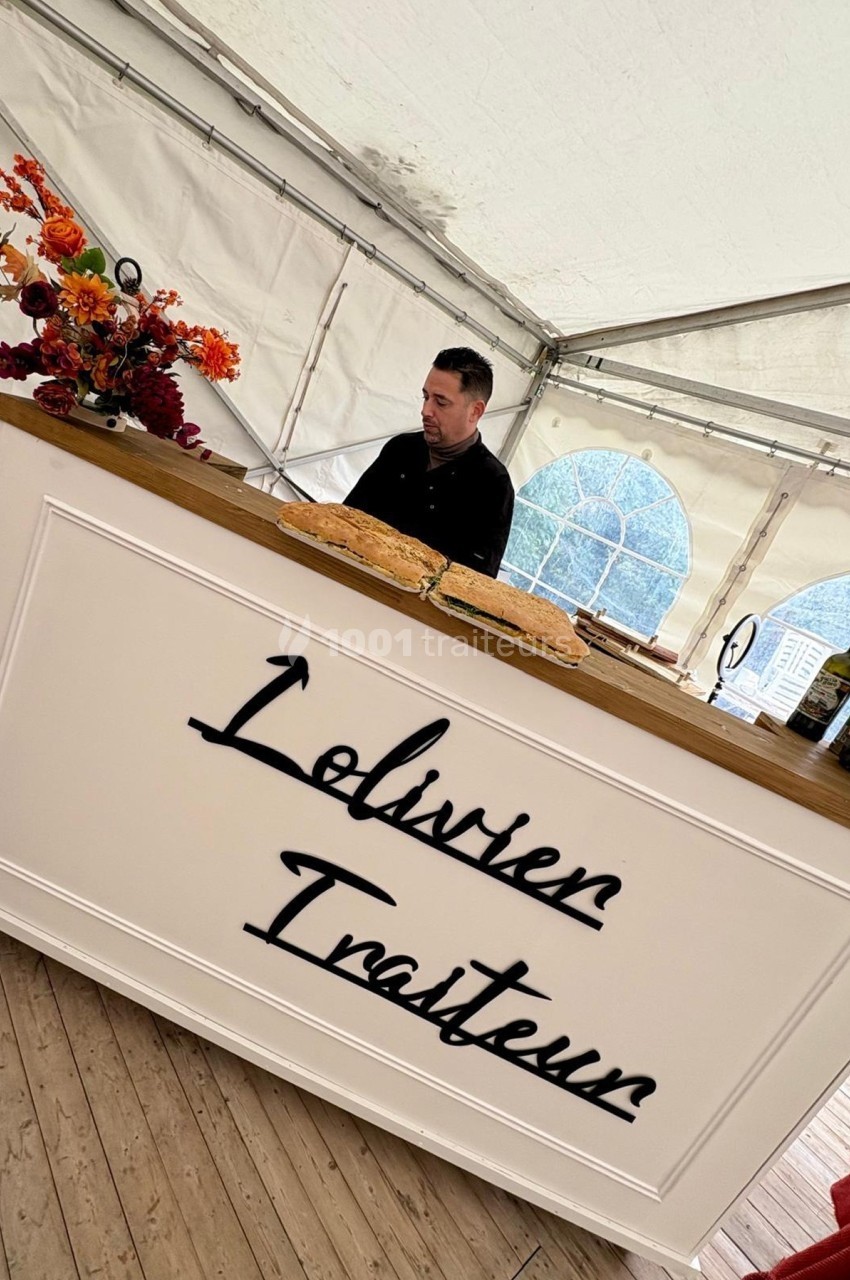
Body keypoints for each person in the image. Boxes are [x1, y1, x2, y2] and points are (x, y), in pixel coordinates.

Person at [344, 347, 514, 577]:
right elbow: (346, 517)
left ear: (475, 411)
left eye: (441, 402)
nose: (425, 410)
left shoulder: (493, 485)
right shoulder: (400, 449)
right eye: (425, 397)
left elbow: (474, 580)